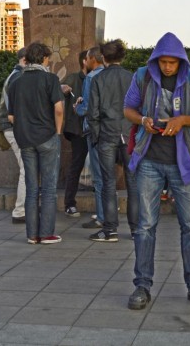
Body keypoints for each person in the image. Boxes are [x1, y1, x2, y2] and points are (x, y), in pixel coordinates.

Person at [123, 32, 190, 310]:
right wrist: (143, 120)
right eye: (162, 62)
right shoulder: (143, 76)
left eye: (172, 63)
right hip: (149, 161)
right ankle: (142, 286)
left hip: (184, 162)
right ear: (156, 60)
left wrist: (184, 120)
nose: (167, 67)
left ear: (180, 62)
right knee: (145, 226)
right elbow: (127, 108)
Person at [7, 42, 64, 244]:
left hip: (25, 140)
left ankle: (32, 235)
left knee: (32, 188)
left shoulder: (16, 82)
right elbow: (58, 108)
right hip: (47, 136)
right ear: (44, 59)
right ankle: (47, 233)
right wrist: (57, 132)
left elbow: (11, 116)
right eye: (48, 58)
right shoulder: (50, 79)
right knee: (48, 188)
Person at [87, 39, 137, 242]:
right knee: (133, 183)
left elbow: (93, 113)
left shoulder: (98, 79)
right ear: (122, 56)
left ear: (104, 57)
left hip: (107, 134)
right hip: (129, 133)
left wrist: (97, 136)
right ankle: (136, 229)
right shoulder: (132, 78)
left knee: (108, 184)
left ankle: (110, 229)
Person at [0, 47, 27, 223]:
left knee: (27, 167)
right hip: (12, 127)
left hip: (10, 127)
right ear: (24, 60)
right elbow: (15, 108)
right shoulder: (18, 77)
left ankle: (23, 208)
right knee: (26, 168)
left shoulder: (15, 74)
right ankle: (20, 210)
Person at [75, 46, 106, 230]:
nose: (85, 61)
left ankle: (102, 216)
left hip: (94, 131)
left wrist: (77, 108)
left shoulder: (91, 78)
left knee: (99, 177)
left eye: (87, 58)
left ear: (93, 59)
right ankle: (109, 214)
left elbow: (86, 108)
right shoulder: (113, 76)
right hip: (113, 131)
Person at [61, 51, 89, 218]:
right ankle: (69, 203)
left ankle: (105, 205)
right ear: (85, 61)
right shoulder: (73, 78)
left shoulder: (100, 77)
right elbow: (60, 88)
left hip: (96, 129)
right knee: (76, 164)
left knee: (103, 167)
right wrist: (62, 88)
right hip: (78, 130)